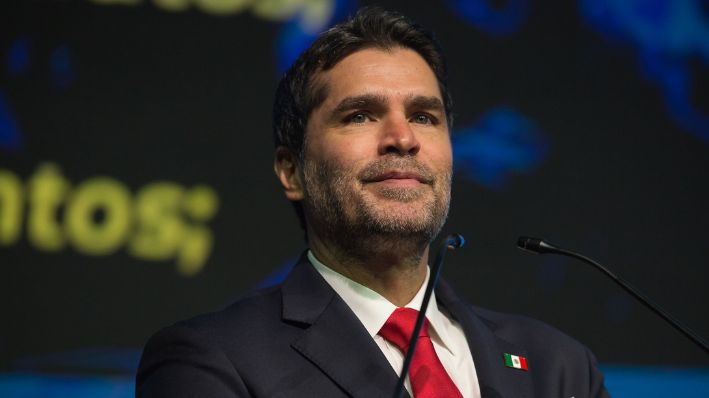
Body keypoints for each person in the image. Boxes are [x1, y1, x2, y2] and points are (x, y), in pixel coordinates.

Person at [136, 7, 609, 398]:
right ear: (292, 171)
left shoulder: (561, 369)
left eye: (425, 117)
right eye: (360, 115)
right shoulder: (211, 360)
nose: (402, 138)